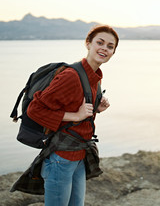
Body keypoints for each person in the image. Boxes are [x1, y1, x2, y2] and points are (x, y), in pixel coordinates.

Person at [26, 25, 119, 206]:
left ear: (113, 52)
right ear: (88, 44)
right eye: (99, 43)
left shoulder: (94, 77)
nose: (104, 48)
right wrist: (75, 115)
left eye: (110, 46)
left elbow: (77, 112)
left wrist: (96, 110)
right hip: (61, 159)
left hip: (79, 156)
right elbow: (35, 110)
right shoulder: (71, 76)